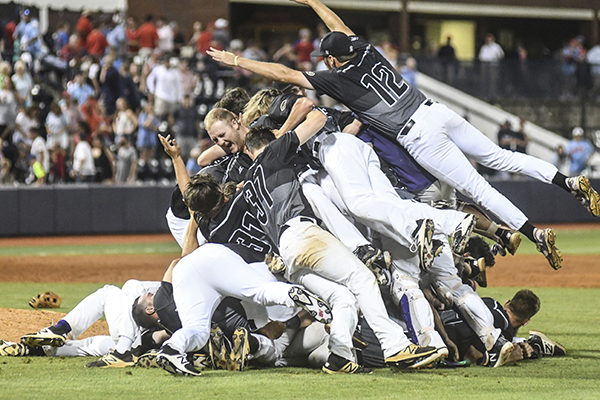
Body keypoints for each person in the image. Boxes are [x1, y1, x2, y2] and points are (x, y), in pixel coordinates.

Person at [207, 0, 600, 271]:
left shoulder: (338, 77)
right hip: (436, 111)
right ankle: (567, 182)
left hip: (418, 135)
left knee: (478, 187)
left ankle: (534, 233)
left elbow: (285, 74)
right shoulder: (366, 52)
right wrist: (314, 3)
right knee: (500, 156)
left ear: (330, 59)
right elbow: (339, 28)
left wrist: (238, 61)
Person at [239, 125, 440, 372]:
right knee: (363, 279)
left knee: (342, 297)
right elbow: (316, 117)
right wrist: (284, 133)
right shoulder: (274, 153)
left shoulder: (247, 183)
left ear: (248, 152)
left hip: (286, 253)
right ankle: (395, 346)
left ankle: (340, 356)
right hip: (303, 234)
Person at [2, 280, 161, 364]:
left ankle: (60, 329)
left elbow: (134, 287)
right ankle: (36, 350)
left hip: (132, 338)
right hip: (142, 348)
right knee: (93, 345)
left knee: (109, 292)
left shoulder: (170, 291)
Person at [478, 33, 504, 100]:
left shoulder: (496, 47)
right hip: (485, 65)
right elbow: (481, 56)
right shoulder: (484, 47)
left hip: (493, 65)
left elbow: (501, 55)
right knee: (484, 80)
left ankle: (492, 95)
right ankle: (484, 94)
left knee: (493, 81)